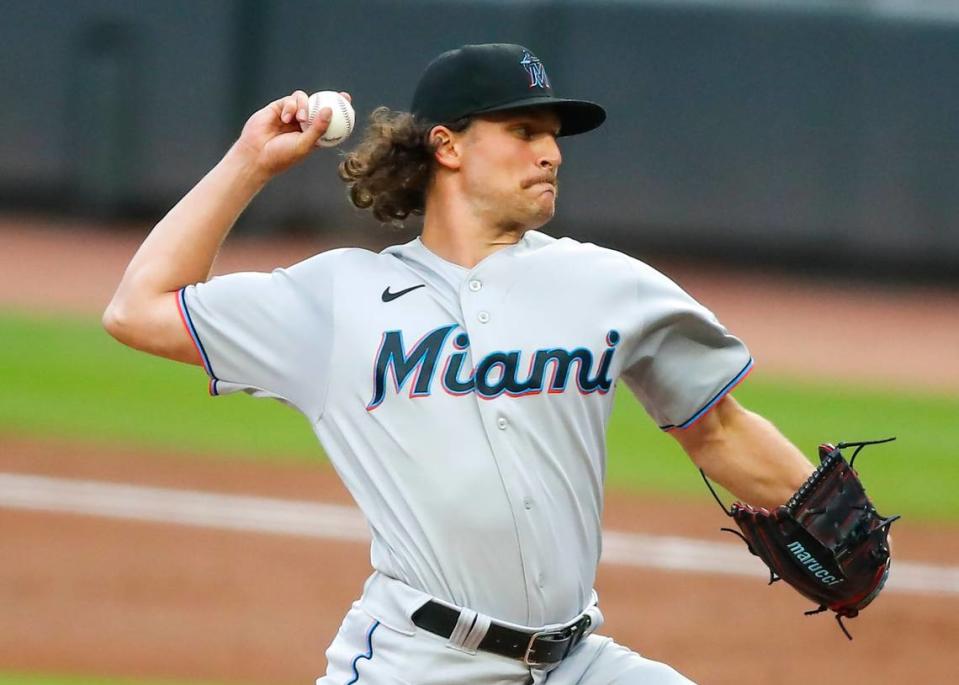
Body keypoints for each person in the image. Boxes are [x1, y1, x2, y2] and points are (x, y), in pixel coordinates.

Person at [104, 43, 815, 684]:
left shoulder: (608, 284)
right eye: (523, 132)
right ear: (446, 145)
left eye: (553, 138)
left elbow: (717, 427)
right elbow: (137, 309)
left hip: (577, 662)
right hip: (417, 663)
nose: (551, 153)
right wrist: (249, 162)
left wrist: (834, 512)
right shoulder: (335, 300)